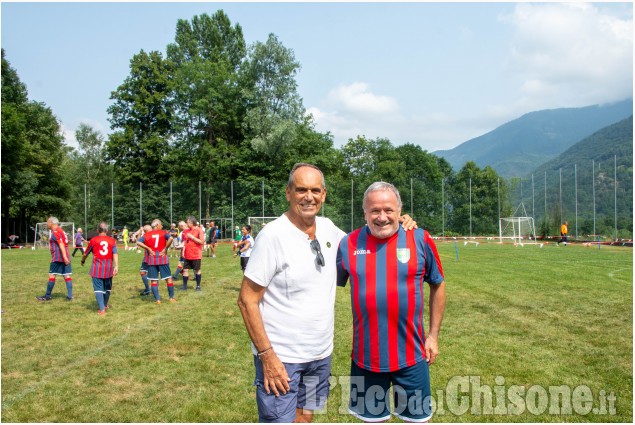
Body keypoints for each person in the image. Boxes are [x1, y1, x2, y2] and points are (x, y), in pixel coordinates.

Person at [237, 163, 417, 423]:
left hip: (319, 355)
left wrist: (398, 220)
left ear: (324, 194)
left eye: (314, 190)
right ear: (288, 193)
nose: (308, 197)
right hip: (282, 357)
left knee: (305, 416)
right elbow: (246, 300)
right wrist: (267, 356)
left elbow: (366, 240)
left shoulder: (329, 228)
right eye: (300, 190)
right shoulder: (272, 236)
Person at [336, 182, 446, 422]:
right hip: (366, 359)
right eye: (374, 210)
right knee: (370, 420)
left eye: (389, 210)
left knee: (416, 420)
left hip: (413, 356)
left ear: (400, 211)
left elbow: (437, 284)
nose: (382, 217)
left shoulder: (419, 239)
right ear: (364, 212)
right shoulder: (348, 244)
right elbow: (324, 285)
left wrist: (433, 336)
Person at [81, 222, 119, 315]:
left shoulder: (93, 240)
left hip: (97, 268)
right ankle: (105, 305)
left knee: (98, 288)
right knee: (107, 288)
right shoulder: (112, 240)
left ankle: (102, 310)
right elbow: (115, 253)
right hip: (109, 267)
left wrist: (83, 261)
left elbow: (85, 253)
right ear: (107, 230)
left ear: (97, 230)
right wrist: (116, 266)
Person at [136, 219, 176, 304]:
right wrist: (165, 249)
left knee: (154, 280)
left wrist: (148, 248)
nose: (161, 226)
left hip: (152, 260)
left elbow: (138, 242)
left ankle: (158, 300)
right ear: (157, 225)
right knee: (168, 279)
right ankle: (171, 298)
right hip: (162, 259)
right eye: (161, 224)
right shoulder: (163, 232)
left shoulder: (147, 235)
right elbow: (171, 238)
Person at [36, 216, 74, 302]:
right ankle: (70, 296)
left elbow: (61, 244)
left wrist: (63, 256)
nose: (46, 224)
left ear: (51, 223)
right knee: (67, 275)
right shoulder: (61, 231)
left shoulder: (56, 232)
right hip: (64, 256)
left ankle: (47, 296)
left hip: (58, 258)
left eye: (47, 222)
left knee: (52, 275)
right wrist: (66, 256)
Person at [180, 216, 205, 291]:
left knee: (197, 270)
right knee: (185, 270)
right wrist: (183, 251)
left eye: (187, 222)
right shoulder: (186, 231)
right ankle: (184, 286)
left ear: (191, 222)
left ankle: (198, 286)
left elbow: (201, 242)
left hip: (196, 254)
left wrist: (192, 237)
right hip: (187, 254)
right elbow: (185, 242)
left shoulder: (199, 230)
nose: (186, 224)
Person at [138, 224, 153, 296]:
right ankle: (153, 290)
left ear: (146, 231)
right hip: (157, 257)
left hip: (148, 257)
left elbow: (138, 242)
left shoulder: (146, 236)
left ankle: (148, 289)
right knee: (154, 274)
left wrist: (140, 232)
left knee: (142, 272)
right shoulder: (156, 234)